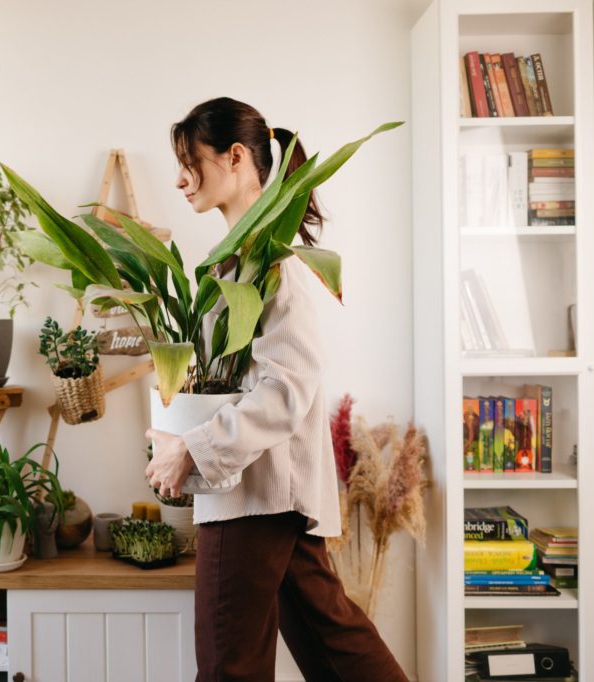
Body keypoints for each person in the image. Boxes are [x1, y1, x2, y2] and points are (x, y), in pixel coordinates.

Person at [145, 97, 408, 682]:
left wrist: (191, 448)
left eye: (191, 161)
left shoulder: (272, 267)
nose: (180, 178)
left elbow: (286, 388)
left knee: (227, 667)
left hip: (255, 498)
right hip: (267, 494)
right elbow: (234, 379)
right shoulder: (238, 263)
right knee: (333, 643)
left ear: (235, 157)